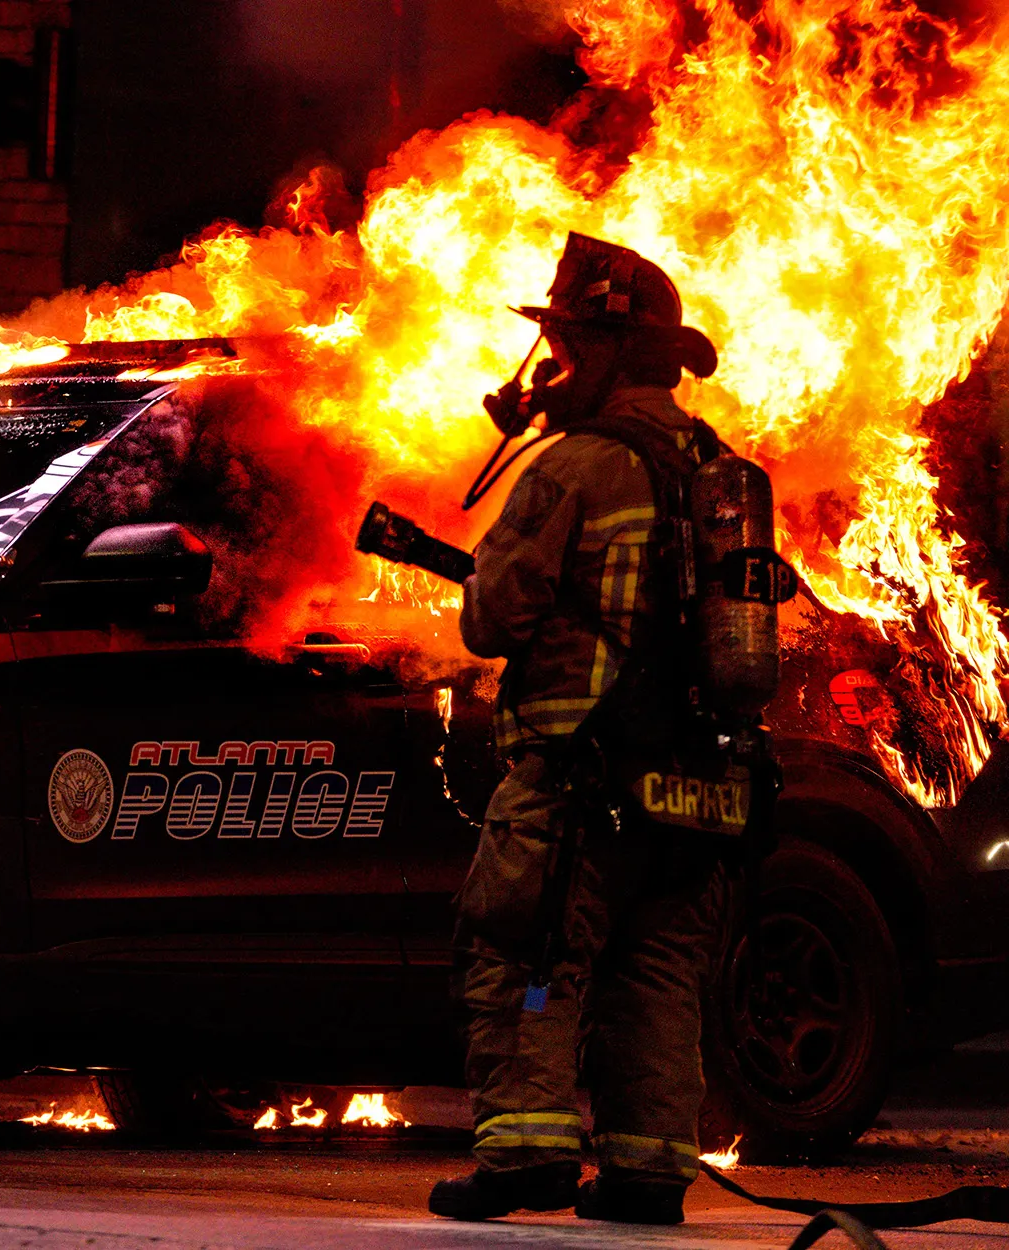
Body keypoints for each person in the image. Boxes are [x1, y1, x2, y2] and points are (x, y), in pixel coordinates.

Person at [429, 233, 732, 1226]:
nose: (548, 362)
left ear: (608, 353)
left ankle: (524, 1153)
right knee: (654, 968)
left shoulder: (578, 466)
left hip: (576, 779)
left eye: (563, 342)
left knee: (526, 959)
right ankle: (647, 1172)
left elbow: (490, 618)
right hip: (692, 790)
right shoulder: (717, 469)